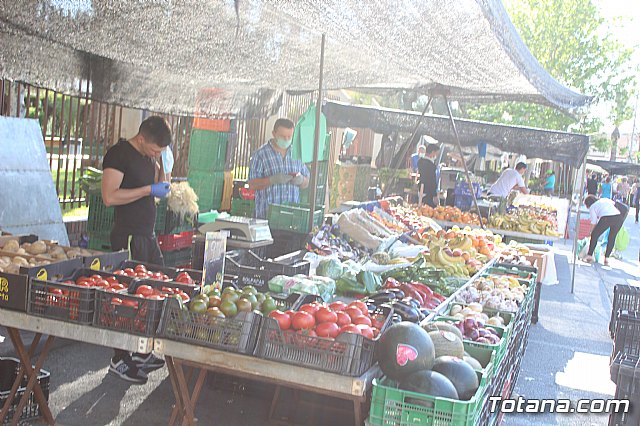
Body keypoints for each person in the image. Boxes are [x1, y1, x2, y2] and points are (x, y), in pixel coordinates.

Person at [101, 116, 172, 384]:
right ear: (141, 138)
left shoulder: (148, 157)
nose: (156, 154)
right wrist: (146, 190)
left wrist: (162, 172)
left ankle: (141, 351)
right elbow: (109, 197)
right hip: (127, 235)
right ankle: (119, 357)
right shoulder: (119, 154)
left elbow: (155, 186)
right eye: (155, 150)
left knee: (155, 290)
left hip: (147, 236)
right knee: (127, 297)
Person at [248, 118, 310, 219]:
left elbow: (306, 183)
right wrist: (271, 180)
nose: (286, 139)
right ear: (274, 133)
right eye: (282, 136)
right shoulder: (260, 155)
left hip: (292, 218)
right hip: (267, 217)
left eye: (289, 136)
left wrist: (301, 180)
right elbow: (252, 184)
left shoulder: (297, 153)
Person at [583, 195, 628, 266]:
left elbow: (593, 222)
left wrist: (590, 232)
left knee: (595, 235)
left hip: (607, 217)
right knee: (612, 237)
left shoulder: (593, 207)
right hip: (619, 217)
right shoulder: (604, 199)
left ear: (588, 204)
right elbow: (614, 204)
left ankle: (589, 255)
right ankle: (606, 259)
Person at [417, 143, 440, 208]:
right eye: (436, 154)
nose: (436, 156)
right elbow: (432, 180)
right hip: (428, 192)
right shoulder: (431, 166)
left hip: (421, 188)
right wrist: (434, 195)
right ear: (432, 152)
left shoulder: (420, 162)